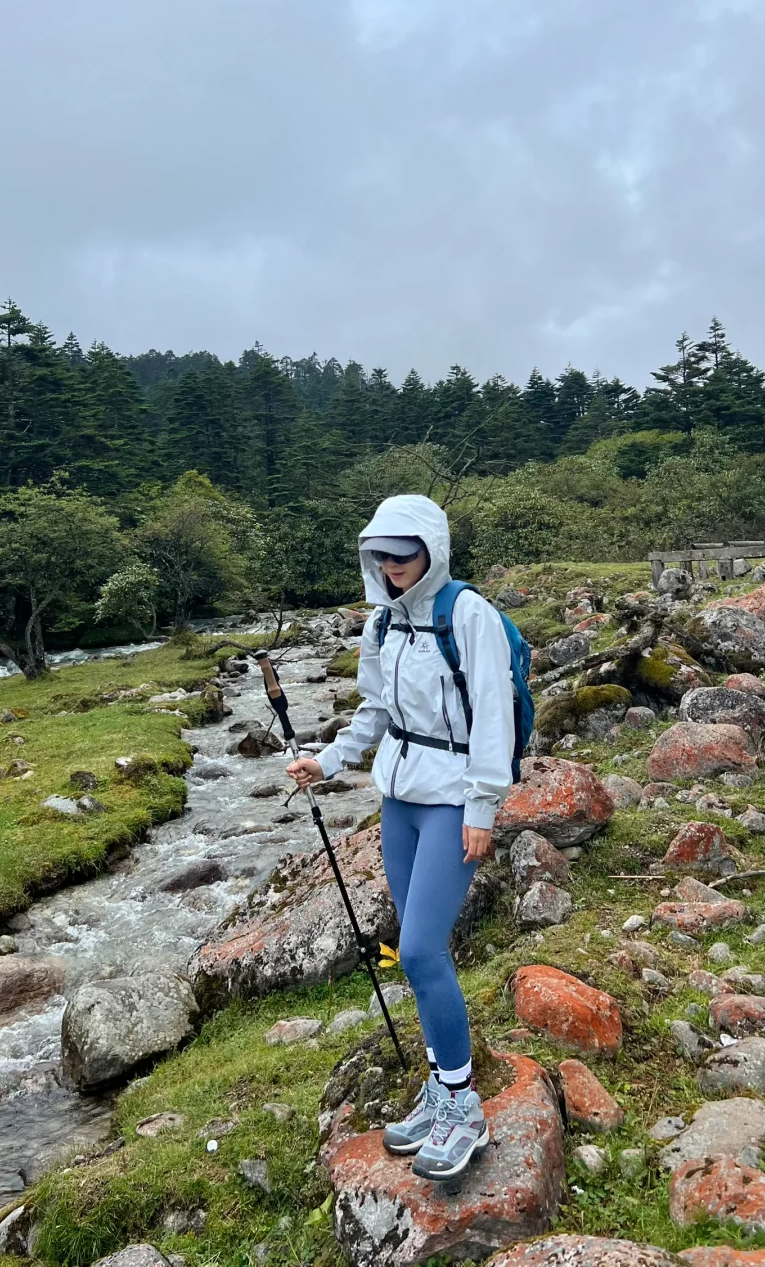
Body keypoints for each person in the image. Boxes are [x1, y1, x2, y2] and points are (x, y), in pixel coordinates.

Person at [286, 493, 513, 1181]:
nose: (390, 567)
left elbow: (495, 716)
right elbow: (376, 712)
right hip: (399, 798)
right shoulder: (381, 626)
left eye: (403, 553)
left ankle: (463, 1105)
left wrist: (482, 809)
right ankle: (443, 1086)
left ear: (432, 549)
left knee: (418, 950)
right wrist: (327, 761)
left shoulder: (469, 615)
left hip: (450, 801)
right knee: (413, 952)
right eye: (380, 555)